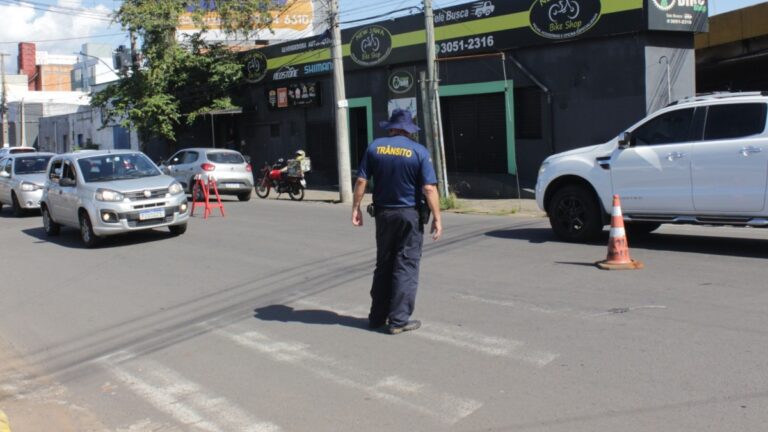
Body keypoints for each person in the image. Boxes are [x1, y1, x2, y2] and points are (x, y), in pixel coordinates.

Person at [351, 109, 442, 335]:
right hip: (409, 215)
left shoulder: (374, 147)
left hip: (383, 215)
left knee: (384, 264)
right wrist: (438, 218)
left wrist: (356, 208)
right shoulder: (419, 151)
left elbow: (361, 180)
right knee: (406, 265)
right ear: (409, 130)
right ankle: (399, 320)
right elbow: (429, 188)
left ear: (391, 128)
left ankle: (376, 317)